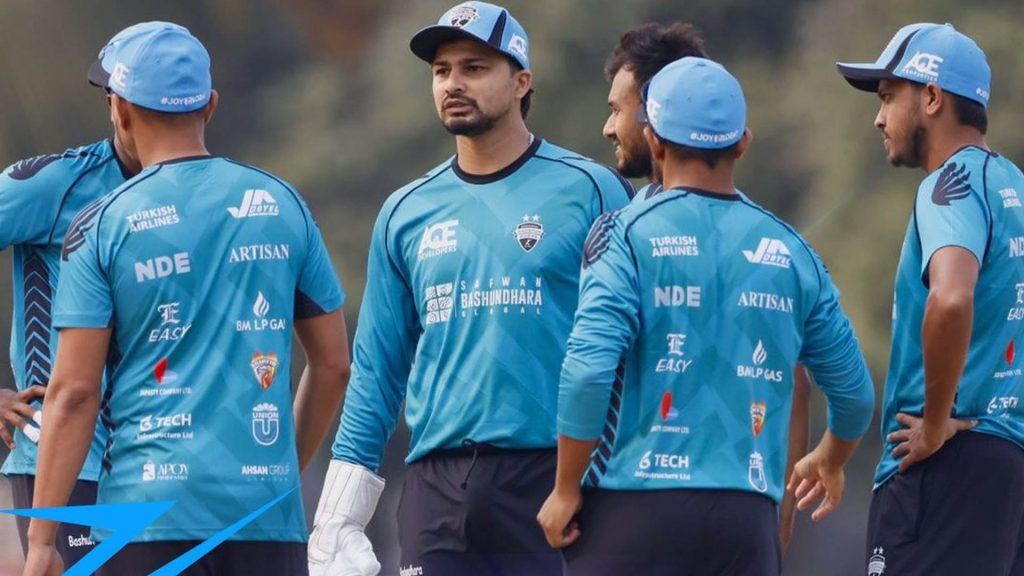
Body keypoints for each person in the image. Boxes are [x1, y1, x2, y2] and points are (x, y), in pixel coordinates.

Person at [308, 3, 633, 575]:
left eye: (475, 68)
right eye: (442, 70)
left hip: (557, 478)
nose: (453, 83)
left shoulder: (592, 190)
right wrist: (339, 515)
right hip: (436, 488)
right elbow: (378, 372)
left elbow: (631, 345)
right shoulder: (405, 212)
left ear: (521, 81)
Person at [22, 21, 349, 576]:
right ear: (210, 106)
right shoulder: (282, 203)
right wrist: (277, 476)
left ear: (120, 109)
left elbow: (74, 394)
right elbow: (335, 364)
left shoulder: (100, 225)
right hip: (266, 522)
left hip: (144, 520)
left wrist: (40, 542)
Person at [537, 56, 875, 576]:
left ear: (654, 141)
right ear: (742, 143)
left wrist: (564, 489)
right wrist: (830, 457)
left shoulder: (624, 234)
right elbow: (854, 396)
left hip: (631, 510)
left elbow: (587, 371)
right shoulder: (791, 250)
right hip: (745, 523)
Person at [601, 21, 813, 550]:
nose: (608, 127)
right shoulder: (767, 237)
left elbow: (794, 378)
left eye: (617, 109)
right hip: (723, 520)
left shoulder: (622, 236)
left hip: (640, 515)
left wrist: (782, 504)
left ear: (654, 116)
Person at [838, 22, 1024, 575]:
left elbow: (950, 298)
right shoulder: (1014, 187)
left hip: (946, 462)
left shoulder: (949, 185)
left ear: (932, 97)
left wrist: (937, 422)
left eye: (887, 97)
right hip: (1009, 470)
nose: (879, 118)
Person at [0, 23, 148, 568]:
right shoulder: (52, 184)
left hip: (168, 462)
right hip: (68, 467)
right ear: (116, 105)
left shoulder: (206, 196)